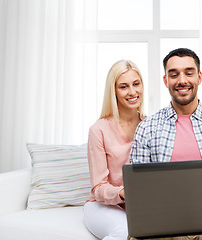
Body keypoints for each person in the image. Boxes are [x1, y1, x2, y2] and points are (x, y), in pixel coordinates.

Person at [130, 48, 202, 240]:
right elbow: (139, 192)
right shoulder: (148, 127)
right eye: (174, 74)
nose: (182, 80)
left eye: (189, 73)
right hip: (166, 222)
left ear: (199, 77)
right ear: (165, 81)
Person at [84, 60, 144, 240]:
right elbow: (98, 187)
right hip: (103, 205)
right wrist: (121, 192)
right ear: (114, 91)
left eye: (136, 84)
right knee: (124, 231)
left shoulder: (150, 125)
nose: (132, 92)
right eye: (123, 87)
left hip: (139, 206)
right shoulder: (99, 130)